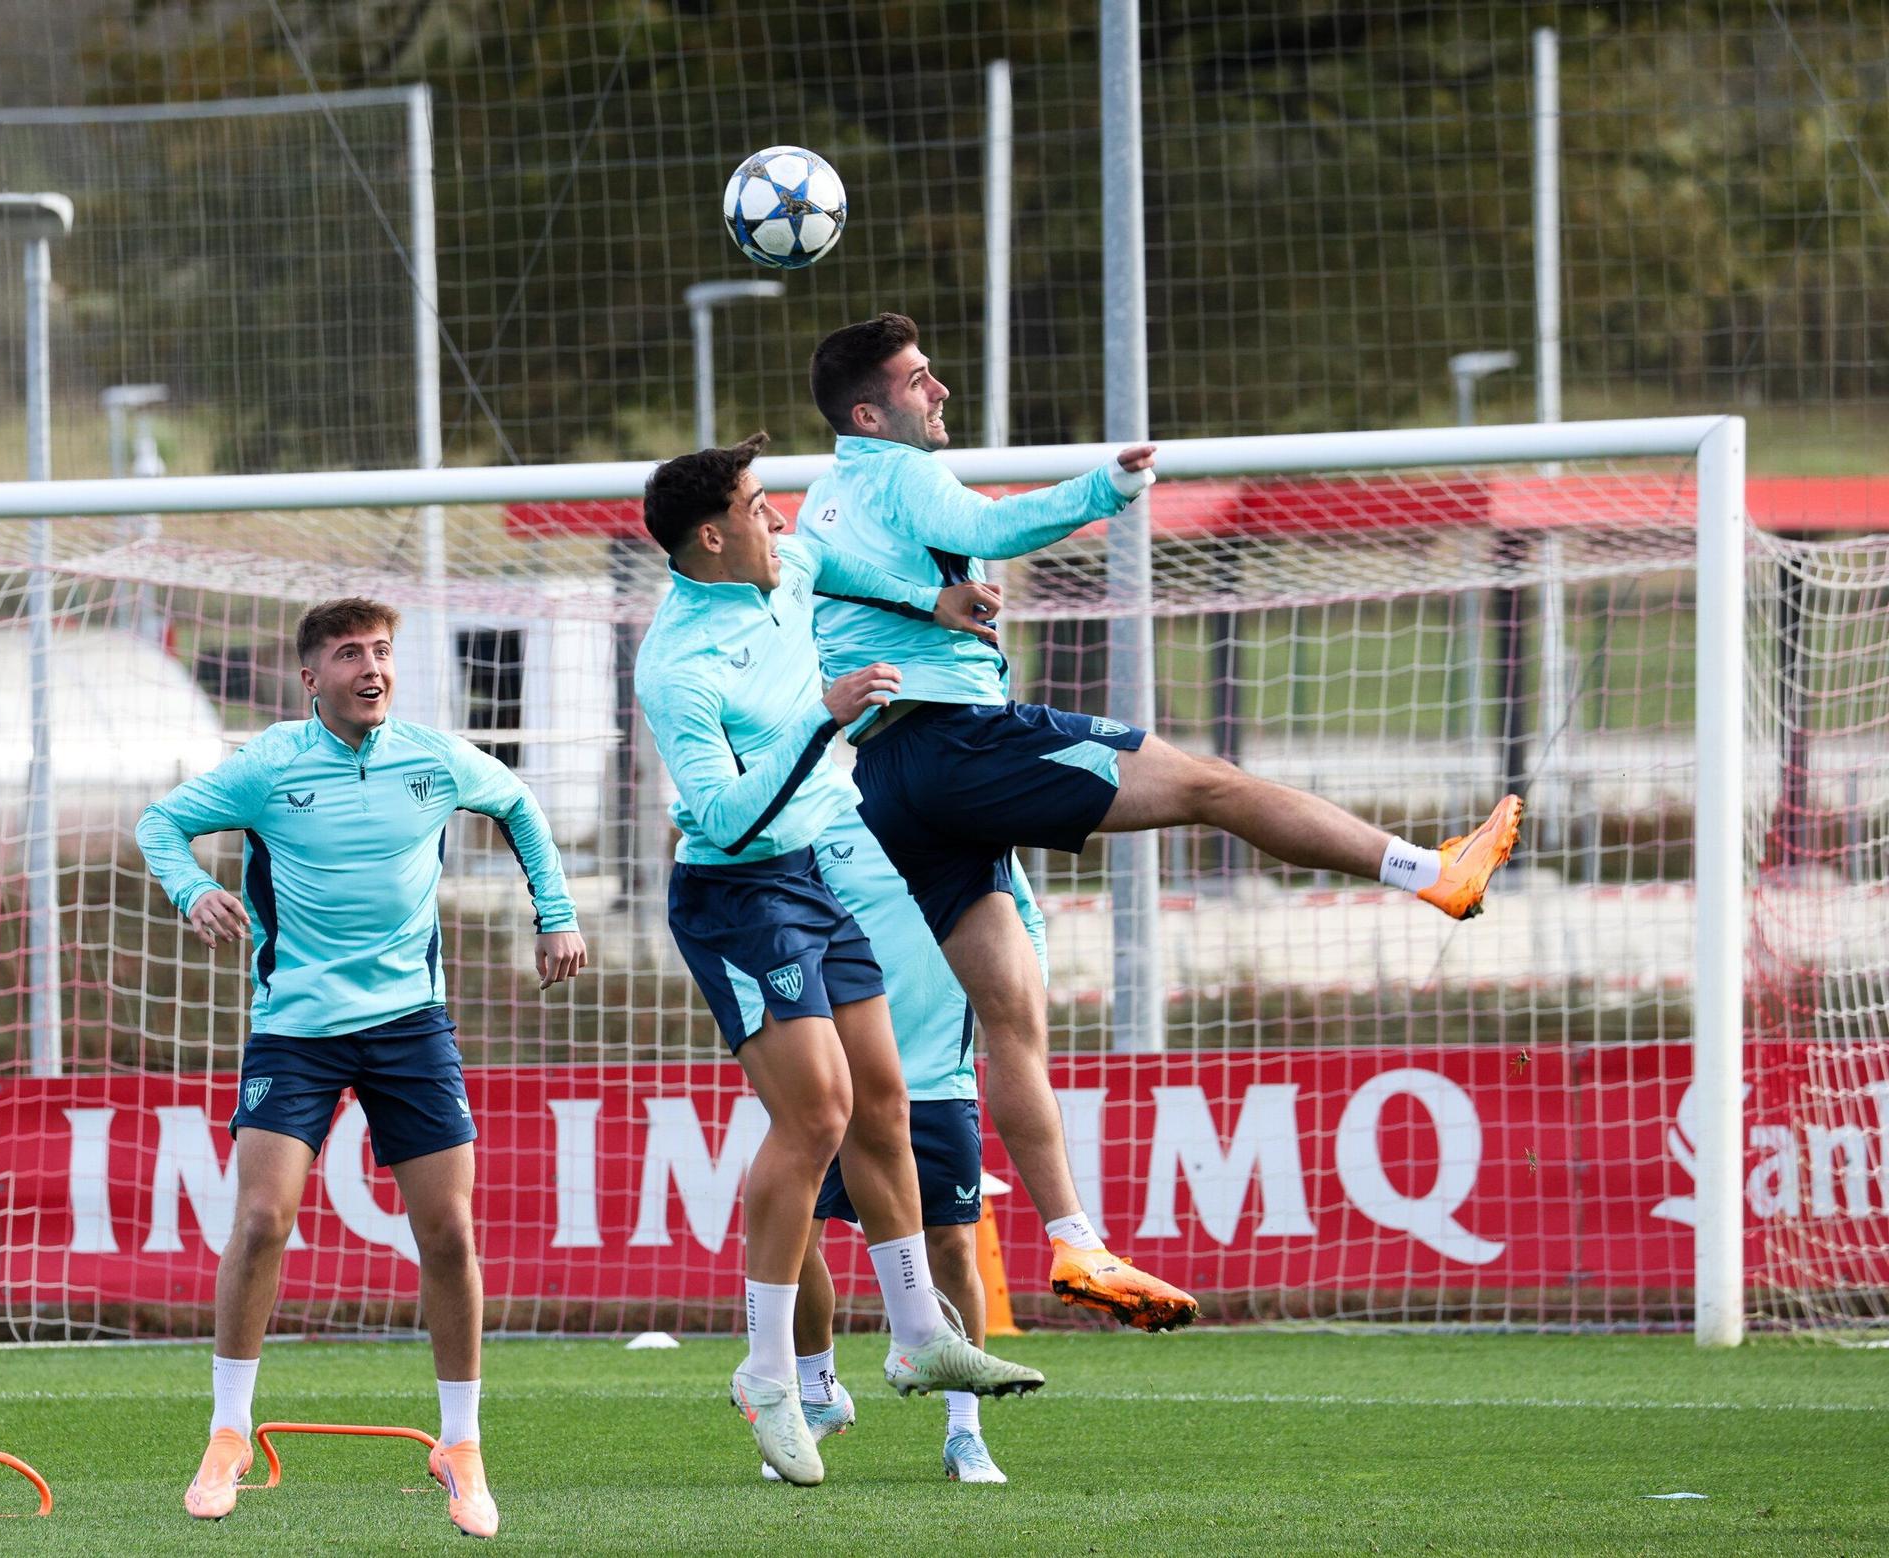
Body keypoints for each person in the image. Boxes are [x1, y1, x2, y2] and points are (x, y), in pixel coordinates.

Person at [797, 312, 1526, 1333]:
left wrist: (925, 600)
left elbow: (817, 574)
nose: (940, 392)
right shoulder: (897, 471)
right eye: (920, 380)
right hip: (962, 739)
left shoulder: (823, 496)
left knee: (1009, 1024)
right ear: (869, 410)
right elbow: (1000, 528)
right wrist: (1108, 488)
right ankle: (1427, 870)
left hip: (887, 781)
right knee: (1210, 787)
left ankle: (1076, 1244)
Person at [633, 434, 1045, 1488]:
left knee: (883, 1102)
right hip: (734, 895)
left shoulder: (785, 565)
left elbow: (846, 568)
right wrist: (820, 717)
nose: (782, 522)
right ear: (712, 535)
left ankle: (914, 1334)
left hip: (809, 873)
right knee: (813, 1117)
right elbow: (718, 816)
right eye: (759, 507)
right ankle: (769, 1375)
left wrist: (930, 604)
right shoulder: (677, 665)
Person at [136, 596, 589, 1539]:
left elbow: (516, 801)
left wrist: (557, 912)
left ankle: (460, 1446)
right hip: (294, 1027)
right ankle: (228, 1433)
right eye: (350, 654)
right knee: (262, 1220)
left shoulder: (432, 756)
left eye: (382, 650)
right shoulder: (268, 765)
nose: (371, 668)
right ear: (313, 679)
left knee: (451, 1234)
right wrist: (192, 890)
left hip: (410, 1027)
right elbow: (157, 824)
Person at [763, 807, 1045, 1486]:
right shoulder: (815, 821)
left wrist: (1022, 1014)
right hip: (837, 1075)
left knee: (952, 1248)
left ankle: (965, 1434)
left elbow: (1022, 927)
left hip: (937, 1080)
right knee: (796, 1235)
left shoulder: (958, 820)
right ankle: (820, 1394)